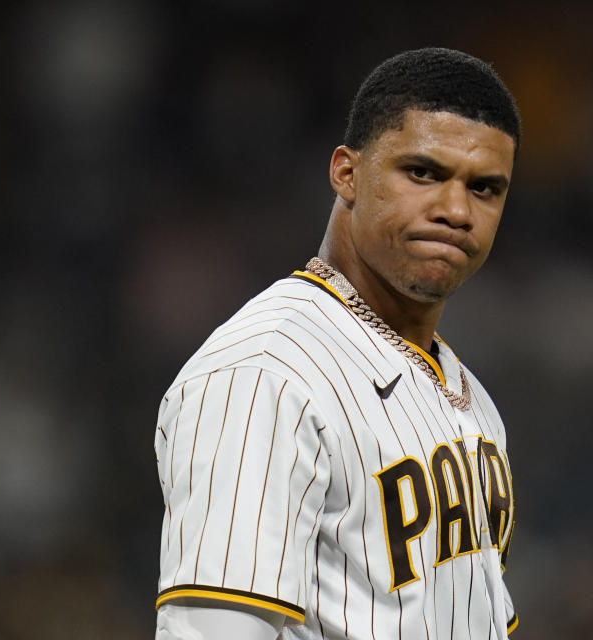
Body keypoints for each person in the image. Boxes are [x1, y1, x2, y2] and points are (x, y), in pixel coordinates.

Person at [154, 47, 522, 639]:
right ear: (347, 172)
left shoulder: (469, 397)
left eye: (484, 188)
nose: (455, 209)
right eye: (423, 172)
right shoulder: (263, 374)